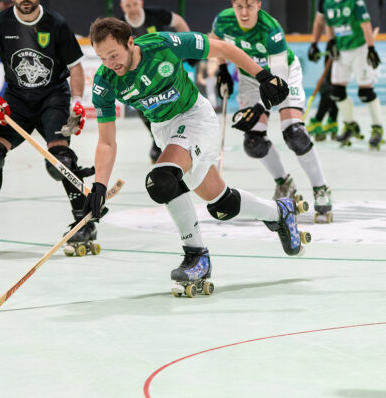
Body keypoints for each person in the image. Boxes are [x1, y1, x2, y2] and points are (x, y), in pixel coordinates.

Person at [85, 17, 308, 294]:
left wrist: (263, 76)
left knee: (162, 180)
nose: (109, 64)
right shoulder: (105, 82)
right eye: (102, 58)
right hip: (164, 130)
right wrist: (99, 185)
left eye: (114, 55)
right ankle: (280, 212)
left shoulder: (163, 45)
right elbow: (107, 141)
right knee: (222, 204)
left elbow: (223, 48)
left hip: (194, 118)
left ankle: (197, 255)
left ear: (130, 42)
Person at [0, 0, 94, 255]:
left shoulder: (57, 24)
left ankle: (83, 222)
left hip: (53, 100)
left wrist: (77, 102)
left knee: (60, 161)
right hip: (16, 102)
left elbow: (75, 68)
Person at [212, 0, 332, 223]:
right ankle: (284, 182)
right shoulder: (224, 20)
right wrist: (222, 70)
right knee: (253, 142)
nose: (243, 13)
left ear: (259, 4)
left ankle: (321, 188)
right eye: (239, 6)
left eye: (249, 6)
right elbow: (215, 42)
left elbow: (278, 84)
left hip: (282, 76)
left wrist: (259, 108)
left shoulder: (271, 29)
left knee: (295, 134)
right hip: (250, 78)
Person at [119, 0, 193, 162]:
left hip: (164, 69)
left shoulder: (157, 14)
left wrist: (188, 47)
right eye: (128, 5)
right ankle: (157, 140)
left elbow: (179, 21)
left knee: (174, 104)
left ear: (141, 3)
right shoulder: (119, 26)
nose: (132, 9)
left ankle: (182, 141)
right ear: (122, 7)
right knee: (142, 109)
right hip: (139, 77)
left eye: (135, 4)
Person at [320, 0, 384, 149]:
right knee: (336, 91)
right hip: (341, 51)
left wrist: (371, 48)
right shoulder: (327, 3)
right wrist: (331, 42)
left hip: (359, 50)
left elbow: (366, 25)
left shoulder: (355, 1)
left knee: (365, 92)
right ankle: (350, 125)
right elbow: (329, 25)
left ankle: (377, 127)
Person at [306, 0, 339, 140]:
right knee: (332, 85)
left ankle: (318, 121)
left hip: (346, 46)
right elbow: (319, 22)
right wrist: (314, 44)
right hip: (331, 46)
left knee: (330, 85)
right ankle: (332, 120)